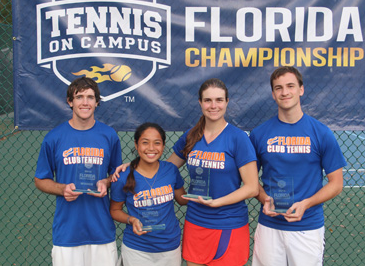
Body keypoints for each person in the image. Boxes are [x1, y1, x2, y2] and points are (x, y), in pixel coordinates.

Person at [249, 67, 346, 266]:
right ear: (273, 94)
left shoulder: (321, 133)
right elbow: (250, 180)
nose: (285, 92)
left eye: (290, 86)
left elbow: (336, 184)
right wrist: (264, 198)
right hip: (270, 227)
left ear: (301, 89)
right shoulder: (259, 134)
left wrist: (306, 204)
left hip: (307, 228)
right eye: (279, 88)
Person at [168, 78, 259, 266]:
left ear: (227, 102)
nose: (213, 105)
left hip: (228, 224)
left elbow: (252, 188)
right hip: (195, 222)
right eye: (208, 100)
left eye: (219, 100)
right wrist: (134, 166)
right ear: (200, 103)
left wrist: (217, 202)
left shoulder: (238, 138)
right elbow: (166, 169)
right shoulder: (191, 136)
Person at [34, 77, 122, 266]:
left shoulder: (109, 135)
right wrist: (62, 189)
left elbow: (116, 175)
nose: (85, 102)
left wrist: (106, 182)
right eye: (79, 96)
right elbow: (41, 180)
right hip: (68, 232)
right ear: (70, 101)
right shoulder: (54, 138)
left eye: (90, 97)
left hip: (101, 231)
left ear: (97, 102)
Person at [110, 122, 187, 266]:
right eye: (145, 142)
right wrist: (131, 220)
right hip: (137, 249)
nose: (151, 148)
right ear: (136, 144)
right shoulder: (123, 176)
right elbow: (114, 210)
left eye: (157, 143)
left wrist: (204, 191)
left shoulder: (171, 170)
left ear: (163, 146)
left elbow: (182, 200)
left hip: (169, 247)